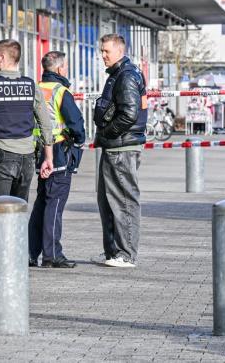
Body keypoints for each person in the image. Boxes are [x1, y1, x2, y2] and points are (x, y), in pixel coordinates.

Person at [0, 39, 54, 200]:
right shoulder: (32, 86)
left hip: (1, 156)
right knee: (19, 212)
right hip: (28, 158)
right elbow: (46, 124)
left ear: (1, 57)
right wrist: (48, 158)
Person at [91, 34, 146, 269]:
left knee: (123, 201)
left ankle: (126, 254)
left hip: (121, 147)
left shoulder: (125, 76)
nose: (102, 55)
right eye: (101, 51)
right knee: (108, 201)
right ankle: (114, 252)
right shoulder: (118, 74)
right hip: (116, 147)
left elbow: (129, 113)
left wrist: (109, 133)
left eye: (106, 51)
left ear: (120, 51)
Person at [28, 51, 86, 269]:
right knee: (55, 203)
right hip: (59, 153)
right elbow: (77, 124)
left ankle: (30, 253)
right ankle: (52, 254)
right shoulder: (61, 91)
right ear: (61, 69)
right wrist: (79, 142)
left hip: (38, 152)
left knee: (41, 203)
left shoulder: (35, 88)